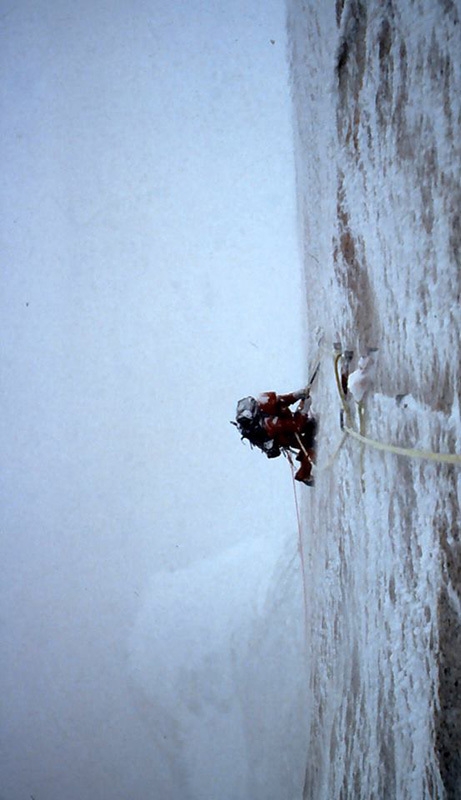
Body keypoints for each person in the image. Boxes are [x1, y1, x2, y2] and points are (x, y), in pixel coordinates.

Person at [232, 388, 317, 486]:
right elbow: (296, 425)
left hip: (287, 422)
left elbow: (282, 400)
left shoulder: (265, 403)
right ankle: (303, 475)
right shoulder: (270, 425)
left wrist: (296, 395)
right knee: (310, 448)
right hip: (287, 436)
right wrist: (304, 409)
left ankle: (310, 453)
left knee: (311, 427)